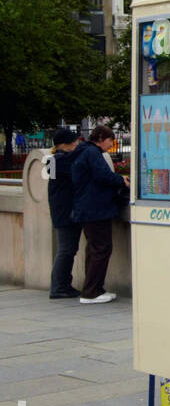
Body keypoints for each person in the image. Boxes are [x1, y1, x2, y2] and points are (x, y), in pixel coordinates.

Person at [71, 125, 128, 305]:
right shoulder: (92, 153)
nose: (111, 145)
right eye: (110, 141)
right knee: (101, 249)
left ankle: (95, 289)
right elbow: (103, 175)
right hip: (95, 209)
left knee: (94, 249)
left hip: (88, 208)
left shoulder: (83, 151)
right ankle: (91, 292)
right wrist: (121, 180)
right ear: (101, 137)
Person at [47, 129, 88, 298]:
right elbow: (76, 171)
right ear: (65, 144)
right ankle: (58, 287)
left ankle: (64, 285)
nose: (77, 145)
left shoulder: (58, 160)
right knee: (66, 249)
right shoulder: (56, 161)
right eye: (75, 142)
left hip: (65, 211)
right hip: (64, 213)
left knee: (69, 249)